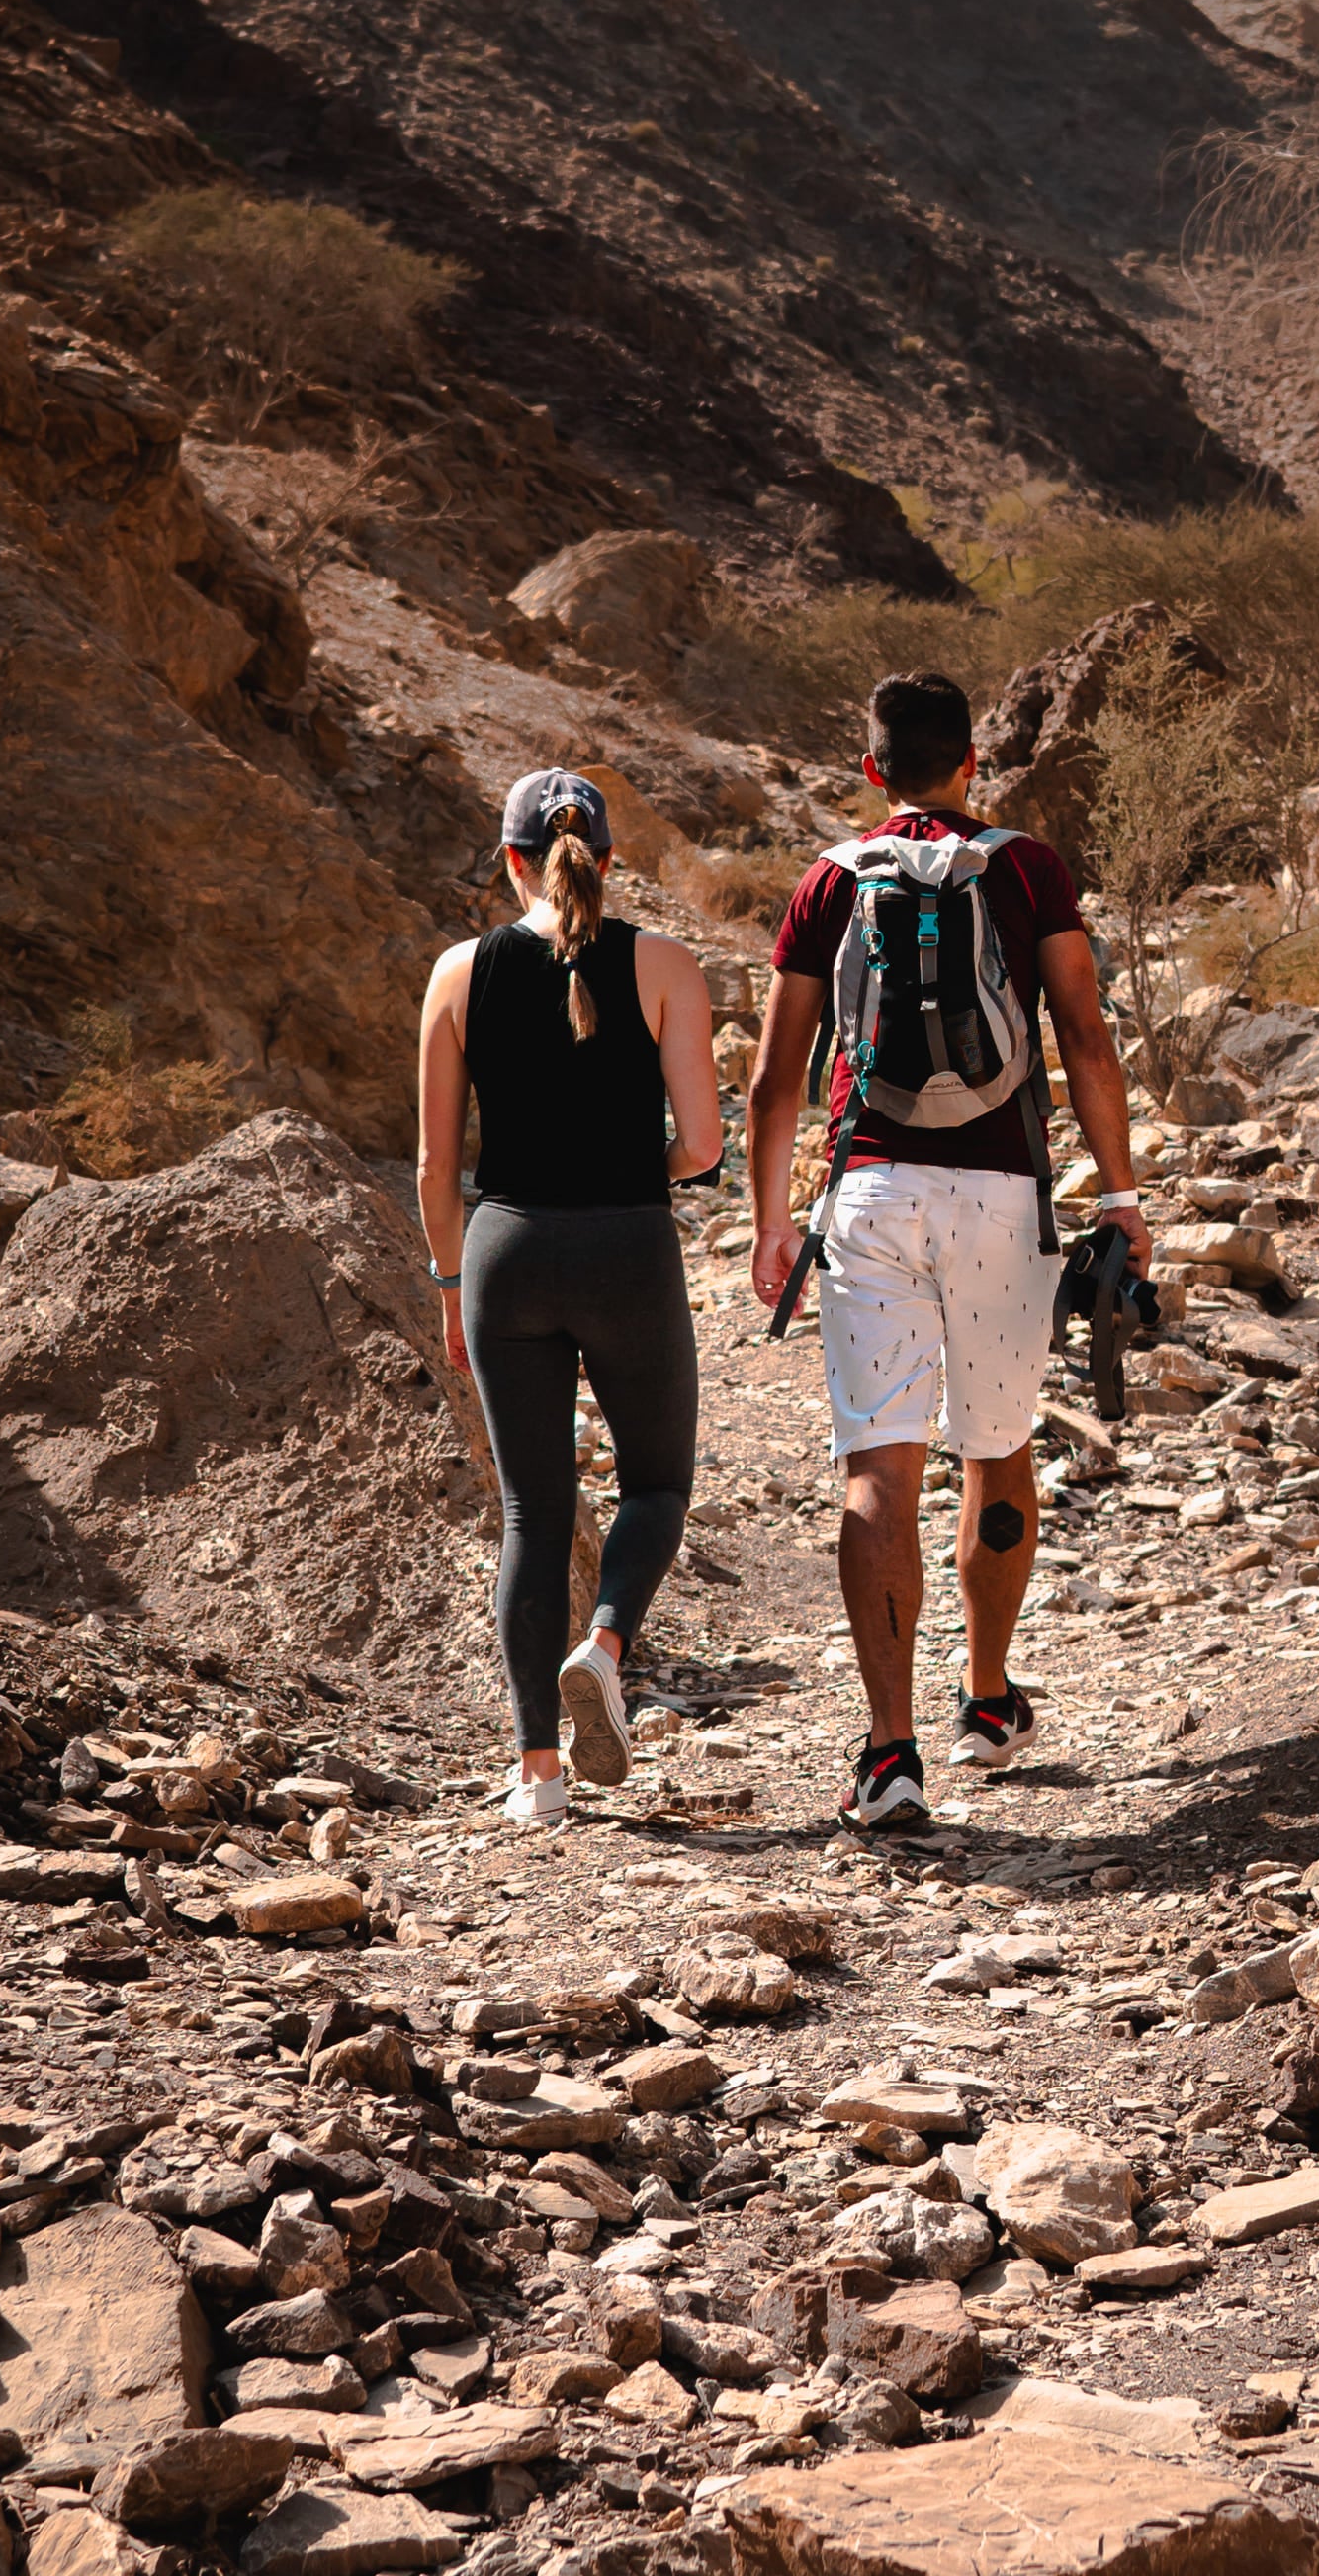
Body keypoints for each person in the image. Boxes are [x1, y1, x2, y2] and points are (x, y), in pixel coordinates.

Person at [747, 670, 1147, 1831]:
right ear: (973, 762)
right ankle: (985, 1699)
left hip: (869, 1190)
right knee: (997, 1448)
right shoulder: (1025, 867)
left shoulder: (828, 879)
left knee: (880, 1468)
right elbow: (1083, 1034)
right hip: (1003, 1202)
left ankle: (888, 1755)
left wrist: (776, 1220)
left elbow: (779, 1075)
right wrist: (1117, 1196)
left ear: (873, 771)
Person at [417, 767, 722, 1832]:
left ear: (509, 859)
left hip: (504, 1253)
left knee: (531, 1512)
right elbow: (704, 1144)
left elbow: (432, 1163)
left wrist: (452, 1285)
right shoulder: (666, 964)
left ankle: (534, 1774)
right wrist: (628, 1162)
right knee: (656, 1488)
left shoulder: (457, 972)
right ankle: (603, 1647)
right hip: (627, 1246)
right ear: (607, 857)